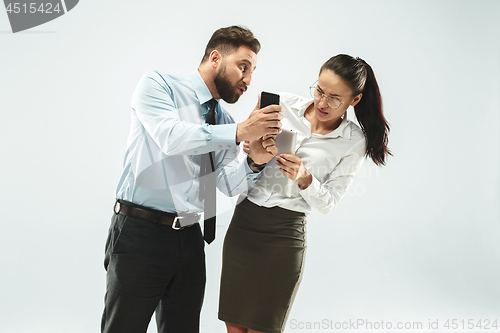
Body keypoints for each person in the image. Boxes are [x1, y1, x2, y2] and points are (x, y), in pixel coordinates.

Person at [101, 25, 282, 333]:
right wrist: (239, 132)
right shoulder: (159, 85)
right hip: (140, 232)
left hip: (189, 237)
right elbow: (170, 138)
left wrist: (253, 161)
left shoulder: (223, 120)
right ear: (215, 58)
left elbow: (225, 184)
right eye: (243, 66)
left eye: (252, 71)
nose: (248, 80)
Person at [218, 54, 391, 333]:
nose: (322, 102)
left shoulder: (353, 141)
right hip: (245, 224)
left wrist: (305, 178)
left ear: (354, 100)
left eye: (335, 98)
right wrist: (252, 149)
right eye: (320, 90)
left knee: (264, 327)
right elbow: (243, 152)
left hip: (285, 237)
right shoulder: (280, 103)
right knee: (235, 327)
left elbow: (329, 202)